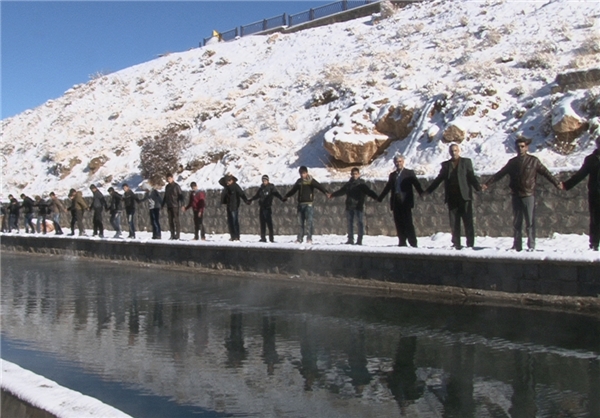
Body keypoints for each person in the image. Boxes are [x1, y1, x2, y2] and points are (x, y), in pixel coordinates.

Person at [482, 137, 562, 251]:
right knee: (517, 222)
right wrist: (487, 183)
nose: (520, 149)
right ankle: (517, 245)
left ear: (527, 147)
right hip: (516, 195)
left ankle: (531, 245)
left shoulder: (533, 161)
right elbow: (500, 174)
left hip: (528, 194)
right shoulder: (512, 162)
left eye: (522, 146)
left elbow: (546, 173)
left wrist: (556, 183)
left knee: (530, 222)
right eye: (518, 147)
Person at [425, 144, 481, 249]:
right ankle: (456, 243)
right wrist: (428, 191)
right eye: (451, 151)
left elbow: (471, 176)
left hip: (464, 197)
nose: (453, 153)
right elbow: (439, 179)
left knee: (468, 221)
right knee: (454, 222)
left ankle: (470, 244)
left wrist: (478, 187)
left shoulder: (466, 162)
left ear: (459, 151)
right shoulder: (446, 165)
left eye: (455, 150)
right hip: (452, 198)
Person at [562, 136, 600, 251]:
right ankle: (594, 243)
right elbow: (581, 174)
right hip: (595, 194)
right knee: (595, 220)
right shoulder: (591, 159)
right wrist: (566, 185)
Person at [378, 154, 424, 247]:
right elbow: (388, 187)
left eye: (400, 161)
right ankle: (402, 241)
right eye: (396, 162)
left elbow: (416, 184)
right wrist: (381, 197)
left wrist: (422, 193)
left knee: (408, 222)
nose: (398, 163)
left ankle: (413, 242)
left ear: (403, 162)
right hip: (396, 201)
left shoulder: (409, 173)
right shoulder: (392, 175)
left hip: (406, 201)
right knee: (398, 223)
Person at [329, 168, 378, 245]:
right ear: (351, 175)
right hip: (349, 206)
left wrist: (376, 197)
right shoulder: (349, 184)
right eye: (353, 174)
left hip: (359, 206)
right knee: (350, 223)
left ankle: (359, 240)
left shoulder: (362, 184)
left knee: (360, 223)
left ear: (359, 174)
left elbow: (369, 192)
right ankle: (350, 239)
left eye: (356, 174)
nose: (354, 175)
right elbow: (341, 191)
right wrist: (332, 195)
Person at [284, 166, 330, 244]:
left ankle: (309, 238)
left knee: (309, 222)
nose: (302, 175)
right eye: (301, 173)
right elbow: (293, 190)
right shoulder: (299, 182)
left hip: (309, 204)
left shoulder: (311, 181)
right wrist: (286, 196)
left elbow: (319, 186)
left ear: (307, 173)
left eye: (304, 173)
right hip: (300, 204)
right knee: (300, 223)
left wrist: (326, 192)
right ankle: (300, 238)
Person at [249, 175, 285, 243]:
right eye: (263, 181)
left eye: (265, 181)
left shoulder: (271, 187)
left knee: (269, 223)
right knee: (262, 223)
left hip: (267, 208)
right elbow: (257, 196)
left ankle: (271, 238)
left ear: (268, 181)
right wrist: (251, 200)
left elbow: (276, 193)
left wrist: (281, 198)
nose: (264, 182)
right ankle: (263, 237)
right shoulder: (261, 188)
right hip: (262, 207)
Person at [219, 174, 250, 241]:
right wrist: (226, 177)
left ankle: (237, 236)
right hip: (229, 206)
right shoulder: (226, 187)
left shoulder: (235, 186)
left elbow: (241, 194)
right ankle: (232, 236)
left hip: (234, 206)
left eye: (229, 180)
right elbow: (220, 182)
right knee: (230, 222)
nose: (228, 182)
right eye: (227, 181)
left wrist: (246, 200)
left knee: (235, 221)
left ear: (232, 180)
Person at [162, 173, 184, 240]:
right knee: (170, 221)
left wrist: (182, 204)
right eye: (167, 179)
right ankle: (172, 234)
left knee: (176, 221)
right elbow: (165, 196)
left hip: (175, 205)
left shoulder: (176, 186)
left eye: (170, 178)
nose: (169, 180)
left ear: (172, 178)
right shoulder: (167, 187)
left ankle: (177, 235)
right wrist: (162, 204)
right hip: (169, 205)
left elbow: (180, 196)